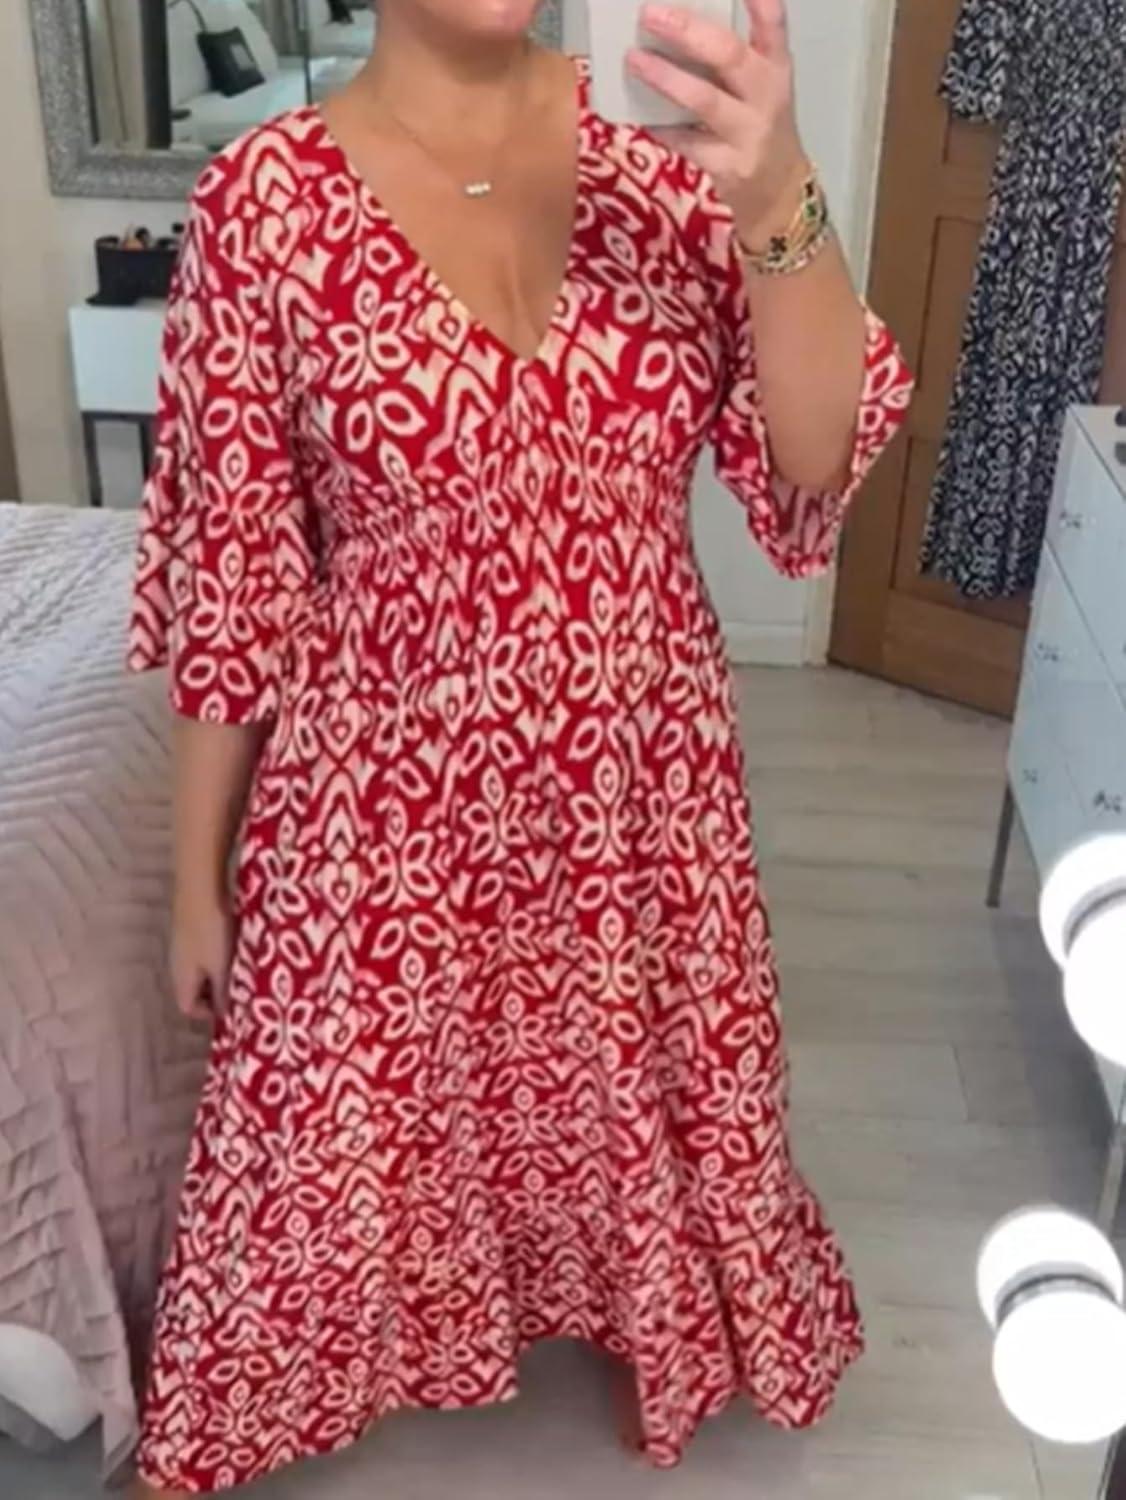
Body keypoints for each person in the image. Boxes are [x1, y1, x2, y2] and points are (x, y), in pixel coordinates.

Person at [126, 0, 912, 1493]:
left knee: (639, 1077)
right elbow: (234, 578)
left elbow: (813, 455)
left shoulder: (667, 161)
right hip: (380, 802)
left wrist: (779, 194)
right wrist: (192, 884)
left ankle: (641, 1312)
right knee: (318, 1132)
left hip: (640, 792)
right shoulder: (265, 201)